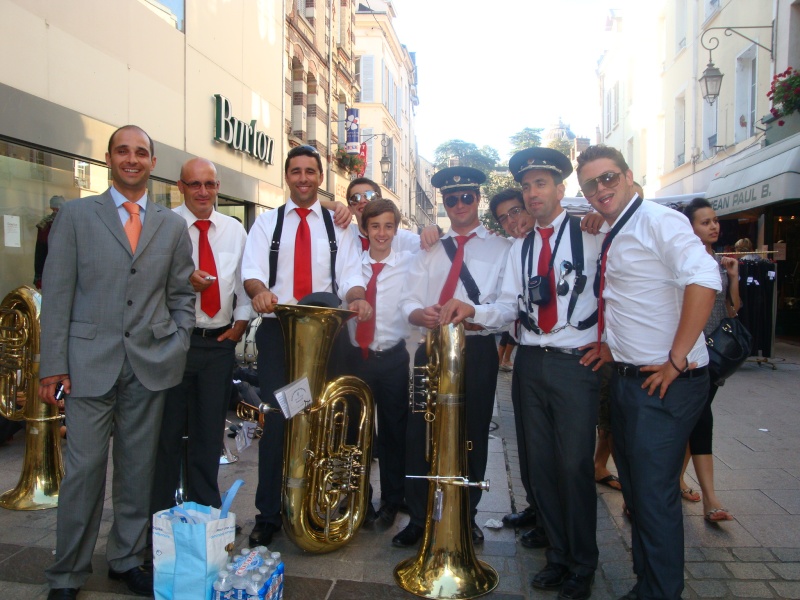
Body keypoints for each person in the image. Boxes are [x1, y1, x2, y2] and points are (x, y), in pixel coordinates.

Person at [38, 125, 196, 600]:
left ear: (152, 163)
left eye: (141, 153)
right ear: (109, 158)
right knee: (84, 472)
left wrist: (179, 341)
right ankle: (67, 573)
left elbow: (181, 293)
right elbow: (59, 293)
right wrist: (53, 366)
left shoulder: (171, 225)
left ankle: (126, 558)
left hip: (149, 365)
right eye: (123, 151)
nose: (132, 159)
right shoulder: (75, 216)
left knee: (137, 470)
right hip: (88, 364)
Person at [575, 145, 720, 600]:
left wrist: (677, 358)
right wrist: (611, 345)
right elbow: (635, 297)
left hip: (665, 384)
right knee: (639, 495)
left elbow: (705, 279)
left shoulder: (660, 221)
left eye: (608, 178)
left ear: (629, 176)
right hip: (628, 379)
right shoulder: (619, 227)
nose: (601, 188)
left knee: (654, 500)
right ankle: (649, 586)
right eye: (591, 184)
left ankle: (659, 593)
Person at [465, 148, 604, 600]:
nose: (532, 193)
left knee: (573, 466)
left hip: (574, 364)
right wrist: (474, 312)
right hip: (529, 361)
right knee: (540, 467)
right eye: (526, 186)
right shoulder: (519, 246)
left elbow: (614, 288)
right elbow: (508, 305)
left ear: (561, 189)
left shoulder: (590, 232)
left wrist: (610, 341)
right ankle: (558, 556)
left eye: (541, 184)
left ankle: (583, 564)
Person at [241, 144, 370, 547]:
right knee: (281, 421)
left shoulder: (339, 225)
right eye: (296, 171)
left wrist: (358, 296)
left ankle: (321, 503)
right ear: (287, 176)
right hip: (281, 336)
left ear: (319, 177)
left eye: (310, 171)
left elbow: (350, 274)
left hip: (325, 337)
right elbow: (252, 273)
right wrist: (260, 292)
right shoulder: (267, 223)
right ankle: (268, 513)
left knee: (324, 419)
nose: (303, 178)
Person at [396, 166, 511, 548]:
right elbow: (407, 299)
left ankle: (467, 514)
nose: (459, 205)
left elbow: (508, 309)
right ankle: (417, 516)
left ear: (477, 199)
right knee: (420, 433)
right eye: (451, 199)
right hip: (430, 347)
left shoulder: (501, 247)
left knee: (472, 433)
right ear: (444, 203)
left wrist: (474, 311)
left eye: (466, 197)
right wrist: (418, 314)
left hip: (476, 349)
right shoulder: (428, 246)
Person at [151, 158, 252, 514]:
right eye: (194, 185)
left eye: (209, 184)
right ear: (180, 186)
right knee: (166, 435)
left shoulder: (234, 230)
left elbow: (243, 281)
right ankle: (161, 515)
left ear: (218, 186)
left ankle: (203, 511)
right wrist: (183, 279)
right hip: (175, 342)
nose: (203, 192)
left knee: (209, 435)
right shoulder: (163, 224)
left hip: (219, 344)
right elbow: (147, 282)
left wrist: (241, 322)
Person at [345, 198, 414, 529]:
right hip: (358, 358)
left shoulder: (409, 263)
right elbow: (350, 288)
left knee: (393, 431)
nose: (382, 233)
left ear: (396, 229)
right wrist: (357, 298)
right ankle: (358, 496)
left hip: (393, 357)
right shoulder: (352, 263)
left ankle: (392, 500)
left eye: (388, 226)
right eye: (375, 226)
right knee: (357, 432)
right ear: (365, 229)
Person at [678, 198, 740, 523]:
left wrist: (733, 278)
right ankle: (710, 499)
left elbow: (732, 311)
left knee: (697, 419)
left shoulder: (718, 260)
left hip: (715, 357)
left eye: (715, 221)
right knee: (701, 420)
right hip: (690, 357)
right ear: (689, 228)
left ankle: (678, 480)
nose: (713, 226)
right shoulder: (684, 260)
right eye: (705, 222)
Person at [33, 195, 66, 289]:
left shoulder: (45, 224)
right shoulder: (66, 222)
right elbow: (41, 250)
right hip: (56, 268)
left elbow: (40, 252)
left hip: (53, 268)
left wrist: (39, 275)